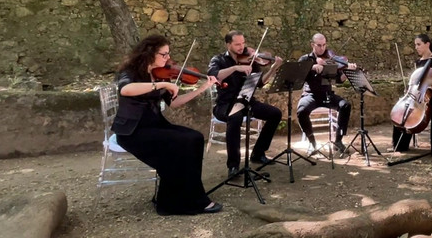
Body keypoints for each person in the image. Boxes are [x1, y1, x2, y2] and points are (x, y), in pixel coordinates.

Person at [112, 34, 223, 215]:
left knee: (195, 138)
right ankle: (191, 201)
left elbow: (175, 103)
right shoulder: (130, 72)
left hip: (155, 125)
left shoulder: (159, 74)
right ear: (149, 53)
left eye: (168, 54)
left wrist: (202, 88)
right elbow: (126, 90)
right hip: (133, 132)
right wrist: (162, 84)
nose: (168, 59)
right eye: (164, 54)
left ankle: (185, 196)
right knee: (180, 145)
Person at [208, 30, 283, 178]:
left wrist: (274, 68)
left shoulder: (250, 60)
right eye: (237, 44)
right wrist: (235, 68)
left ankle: (258, 153)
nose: (241, 47)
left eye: (243, 43)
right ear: (228, 44)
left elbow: (261, 83)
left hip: (247, 101)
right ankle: (234, 166)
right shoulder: (218, 60)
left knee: (275, 113)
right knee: (234, 118)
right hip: (225, 104)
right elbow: (213, 76)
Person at [392, 34, 432, 162]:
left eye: (418, 44)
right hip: (419, 98)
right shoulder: (419, 63)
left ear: (427, 44)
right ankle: (400, 145)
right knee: (403, 112)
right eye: (415, 45)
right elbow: (416, 82)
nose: (416, 47)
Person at [297, 33, 356, 154]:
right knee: (301, 111)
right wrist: (312, 67)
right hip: (310, 95)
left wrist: (347, 71)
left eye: (324, 45)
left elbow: (339, 80)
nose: (322, 48)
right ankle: (312, 143)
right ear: (312, 45)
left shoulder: (331, 60)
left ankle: (338, 141)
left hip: (327, 93)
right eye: (319, 45)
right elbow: (298, 74)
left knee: (345, 105)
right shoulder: (305, 59)